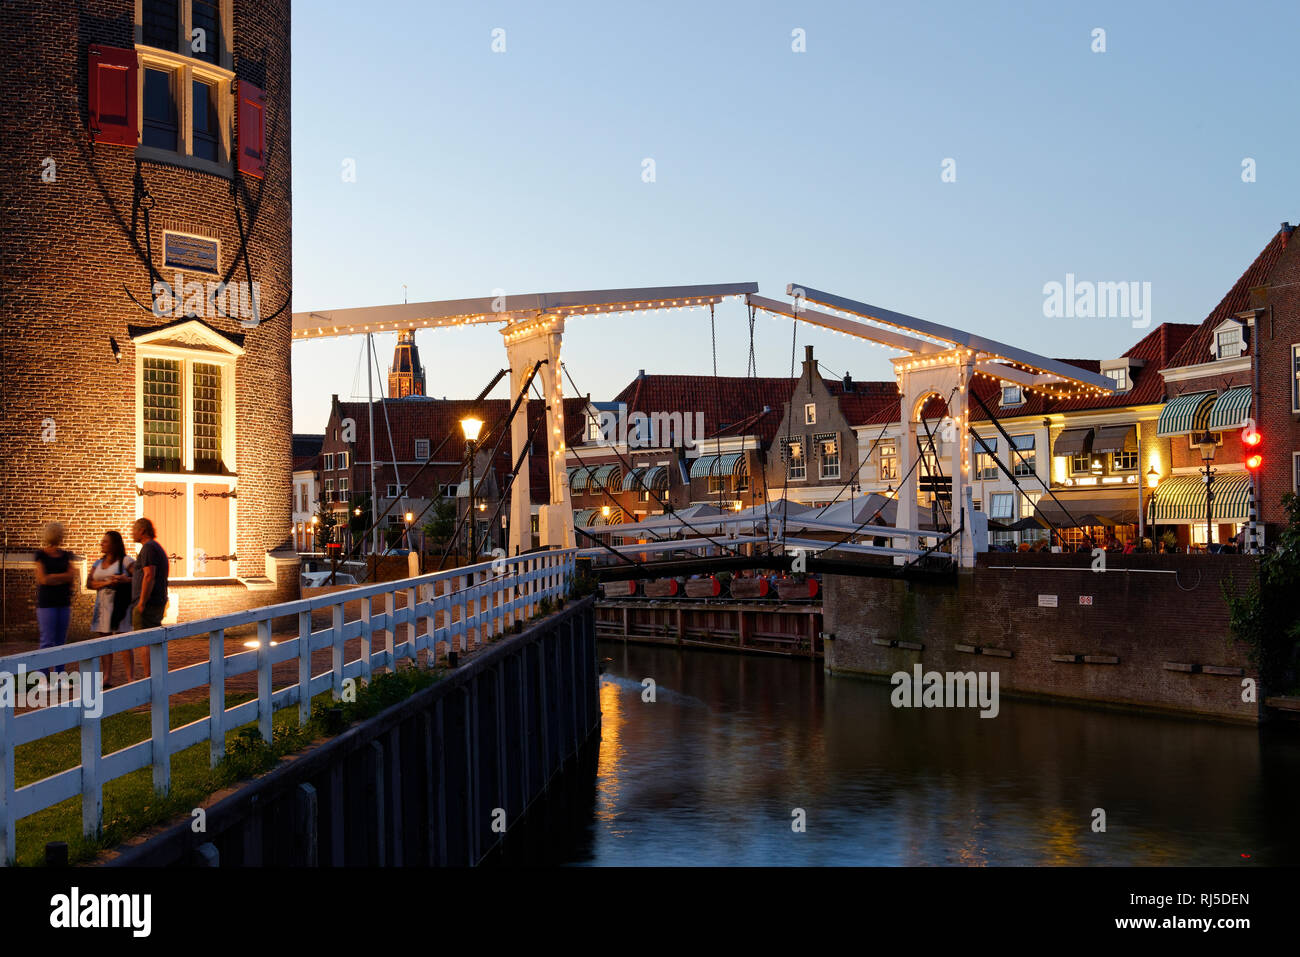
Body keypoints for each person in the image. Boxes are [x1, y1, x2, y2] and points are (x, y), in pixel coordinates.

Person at [88, 530, 135, 686]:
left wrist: (124, 580)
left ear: (114, 544)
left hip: (119, 605)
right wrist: (106, 583)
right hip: (102, 605)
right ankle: (107, 676)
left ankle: (130, 678)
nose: (102, 544)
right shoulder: (98, 563)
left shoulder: (126, 561)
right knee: (104, 640)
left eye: (105, 541)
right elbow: (89, 583)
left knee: (124, 640)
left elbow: (138, 578)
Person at [33, 521, 76, 676]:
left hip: (63, 602)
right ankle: (42, 677)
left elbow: (71, 576)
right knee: (47, 641)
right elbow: (42, 579)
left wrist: (53, 577)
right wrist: (62, 577)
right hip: (47, 604)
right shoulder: (41, 555)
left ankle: (60, 676)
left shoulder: (66, 555)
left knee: (60, 642)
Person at [130, 517, 170, 678]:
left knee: (145, 639)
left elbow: (149, 575)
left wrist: (141, 602)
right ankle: (155, 675)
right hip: (155, 600)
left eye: (134, 529)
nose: (132, 533)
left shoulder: (148, 548)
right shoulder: (154, 547)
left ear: (142, 531)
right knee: (152, 639)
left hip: (149, 603)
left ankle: (149, 677)